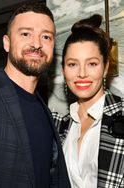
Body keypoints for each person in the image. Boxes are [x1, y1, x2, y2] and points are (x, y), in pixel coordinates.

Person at [0, 2, 71, 188]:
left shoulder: (45, 111)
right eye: (26, 34)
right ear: (6, 43)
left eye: (46, 37)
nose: (37, 44)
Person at [53, 14, 124, 188]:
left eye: (92, 63)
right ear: (63, 70)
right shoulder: (59, 128)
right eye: (72, 64)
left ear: (106, 67)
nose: (82, 73)